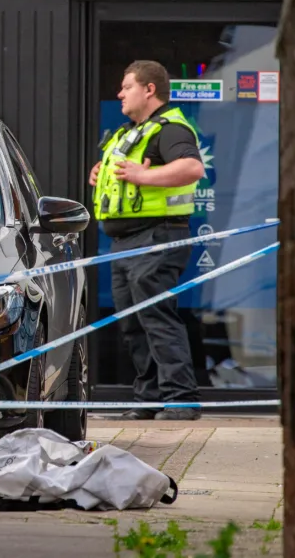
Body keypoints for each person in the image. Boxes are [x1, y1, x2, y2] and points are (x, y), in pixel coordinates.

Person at [89, 60, 206, 420]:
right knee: (133, 323)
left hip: (156, 236)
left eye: (127, 87)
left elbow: (191, 168)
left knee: (156, 317)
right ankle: (149, 398)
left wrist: (144, 175)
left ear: (149, 89)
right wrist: (101, 173)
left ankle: (180, 399)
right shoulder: (129, 132)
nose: (120, 94)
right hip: (126, 241)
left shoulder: (170, 128)